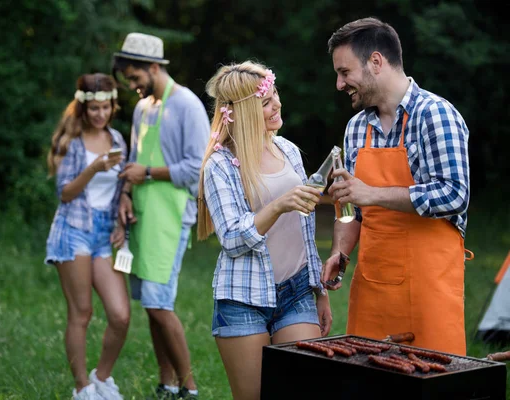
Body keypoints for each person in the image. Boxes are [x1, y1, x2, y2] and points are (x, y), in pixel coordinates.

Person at [322, 17, 471, 355]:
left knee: (431, 381)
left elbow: (455, 194)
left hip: (429, 290)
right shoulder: (356, 128)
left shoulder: (435, 115)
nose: (339, 84)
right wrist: (340, 253)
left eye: (345, 72)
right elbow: (353, 210)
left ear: (376, 62)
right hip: (373, 287)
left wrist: (372, 193)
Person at [197, 60, 333, 400]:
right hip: (243, 300)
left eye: (276, 96)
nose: (278, 105)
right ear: (243, 112)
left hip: (297, 291)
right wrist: (278, 205)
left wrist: (319, 288)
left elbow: (305, 227)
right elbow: (231, 238)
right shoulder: (220, 165)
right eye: (267, 102)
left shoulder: (287, 149)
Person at [111, 33, 209, 399]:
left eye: (135, 78)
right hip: (142, 217)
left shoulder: (187, 105)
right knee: (150, 305)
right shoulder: (142, 108)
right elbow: (132, 161)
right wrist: (124, 195)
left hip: (170, 217)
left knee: (158, 302)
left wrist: (148, 174)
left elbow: (197, 168)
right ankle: (166, 383)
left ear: (154, 67)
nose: (132, 87)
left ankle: (190, 388)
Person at [44, 73, 130, 400]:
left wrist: (123, 217)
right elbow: (65, 193)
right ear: (83, 107)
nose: (99, 114)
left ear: (112, 106)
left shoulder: (119, 141)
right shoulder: (72, 142)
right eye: (93, 108)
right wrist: (94, 168)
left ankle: (101, 378)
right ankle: (82, 388)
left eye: (105, 107)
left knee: (120, 315)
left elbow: (122, 187)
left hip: (104, 234)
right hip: (73, 231)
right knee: (81, 313)